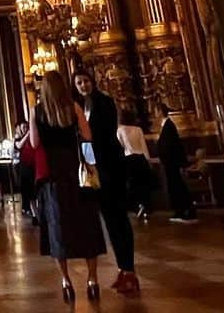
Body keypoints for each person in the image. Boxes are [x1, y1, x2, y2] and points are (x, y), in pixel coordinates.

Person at [29, 70, 106, 303]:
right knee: (87, 227)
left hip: (53, 178)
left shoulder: (37, 111)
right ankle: (92, 279)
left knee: (57, 230)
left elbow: (34, 143)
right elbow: (87, 135)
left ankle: (66, 281)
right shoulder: (74, 108)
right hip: (76, 173)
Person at [74, 71, 140, 296]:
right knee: (110, 222)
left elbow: (104, 133)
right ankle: (123, 269)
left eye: (85, 81)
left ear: (93, 81)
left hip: (111, 168)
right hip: (95, 170)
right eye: (79, 83)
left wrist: (86, 137)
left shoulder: (105, 103)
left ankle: (130, 270)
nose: (83, 85)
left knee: (119, 220)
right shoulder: (81, 107)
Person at [156, 103, 197, 222]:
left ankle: (186, 211)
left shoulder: (168, 126)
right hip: (170, 162)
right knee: (175, 186)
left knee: (177, 186)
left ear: (160, 112)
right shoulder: (167, 125)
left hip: (172, 162)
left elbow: (170, 145)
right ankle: (181, 210)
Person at [117, 110, 155, 221]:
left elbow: (120, 147)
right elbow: (144, 146)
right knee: (143, 184)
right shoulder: (138, 129)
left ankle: (137, 206)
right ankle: (145, 206)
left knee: (132, 185)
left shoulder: (120, 130)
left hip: (129, 159)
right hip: (141, 159)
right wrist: (148, 161)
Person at [14, 120, 38, 222]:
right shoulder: (18, 139)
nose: (25, 129)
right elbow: (19, 145)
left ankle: (38, 213)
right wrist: (28, 134)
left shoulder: (32, 138)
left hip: (33, 167)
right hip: (24, 169)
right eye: (23, 127)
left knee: (35, 192)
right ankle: (34, 214)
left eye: (26, 127)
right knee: (29, 193)